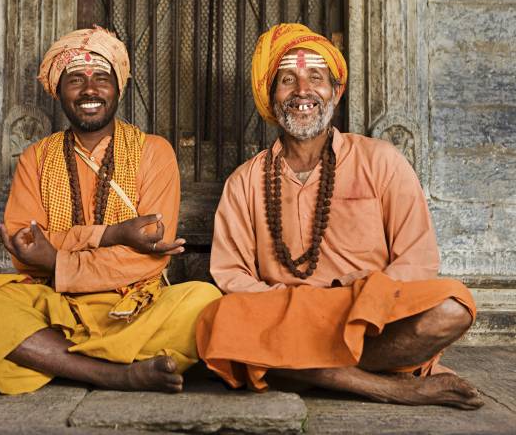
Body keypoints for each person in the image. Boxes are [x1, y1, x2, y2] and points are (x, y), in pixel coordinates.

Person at [195, 23, 483, 410]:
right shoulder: (244, 182)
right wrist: (296, 307)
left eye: (316, 78)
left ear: (336, 92)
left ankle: (303, 369)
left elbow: (418, 259)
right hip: (289, 315)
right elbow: (231, 275)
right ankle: (387, 386)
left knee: (454, 304)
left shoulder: (380, 160)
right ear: (270, 95)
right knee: (218, 319)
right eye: (286, 80)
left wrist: (364, 297)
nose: (302, 91)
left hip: (369, 315)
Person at [0, 26, 221, 395]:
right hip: (53, 303)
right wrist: (113, 235)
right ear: (59, 92)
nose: (90, 90)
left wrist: (58, 258)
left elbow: (149, 257)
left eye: (101, 78)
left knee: (204, 301)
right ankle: (114, 372)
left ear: (118, 88)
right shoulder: (35, 158)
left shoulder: (154, 151)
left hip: (133, 305)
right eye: (75, 80)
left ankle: (53, 359)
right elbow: (26, 251)